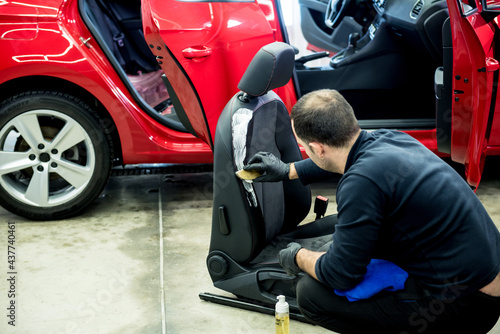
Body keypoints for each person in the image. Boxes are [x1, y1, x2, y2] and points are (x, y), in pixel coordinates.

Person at [243, 89, 500, 333]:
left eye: (306, 147)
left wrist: (298, 256)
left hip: (466, 307)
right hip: (481, 277)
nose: (308, 151)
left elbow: (339, 275)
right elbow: (343, 157)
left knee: (310, 294)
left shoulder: (360, 184)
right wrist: (288, 170)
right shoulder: (390, 138)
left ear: (318, 148)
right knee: (339, 226)